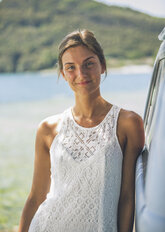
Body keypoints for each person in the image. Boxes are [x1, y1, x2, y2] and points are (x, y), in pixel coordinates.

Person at [18, 29, 145, 232]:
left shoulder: (128, 123)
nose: (81, 74)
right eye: (71, 67)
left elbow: (127, 197)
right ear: (63, 74)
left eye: (89, 64)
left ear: (102, 65)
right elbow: (36, 197)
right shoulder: (48, 129)